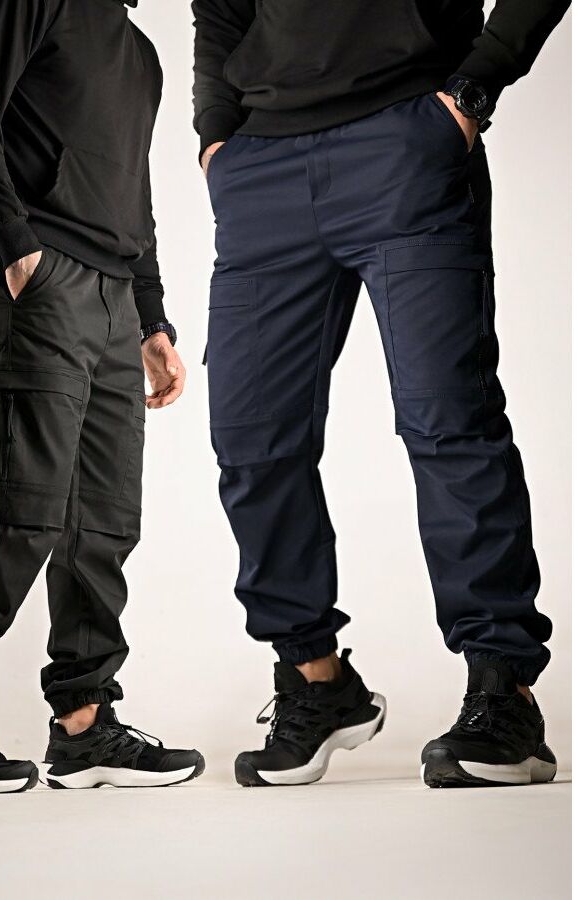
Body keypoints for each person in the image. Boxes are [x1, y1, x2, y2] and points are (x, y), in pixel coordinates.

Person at [193, 0, 568, 788]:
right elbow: (220, 13)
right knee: (252, 440)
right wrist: (215, 138)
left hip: (406, 137)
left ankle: (504, 691)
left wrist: (473, 90)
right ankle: (316, 681)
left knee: (448, 422)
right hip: (261, 168)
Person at [0, 0, 204, 794]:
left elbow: (133, 191)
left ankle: (85, 723)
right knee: (23, 501)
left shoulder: (140, 53)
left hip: (116, 294)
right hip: (41, 274)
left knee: (104, 517)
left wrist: (151, 316)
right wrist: (15, 246)